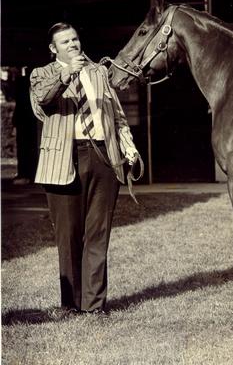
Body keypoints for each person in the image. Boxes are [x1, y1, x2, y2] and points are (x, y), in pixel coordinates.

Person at [30, 22, 139, 316]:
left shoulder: (99, 73)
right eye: (65, 42)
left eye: (75, 39)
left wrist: (128, 147)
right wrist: (67, 74)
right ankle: (71, 304)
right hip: (64, 159)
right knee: (68, 234)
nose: (73, 44)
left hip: (103, 156)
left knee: (97, 233)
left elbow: (116, 115)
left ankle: (94, 306)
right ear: (54, 49)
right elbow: (42, 103)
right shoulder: (41, 74)